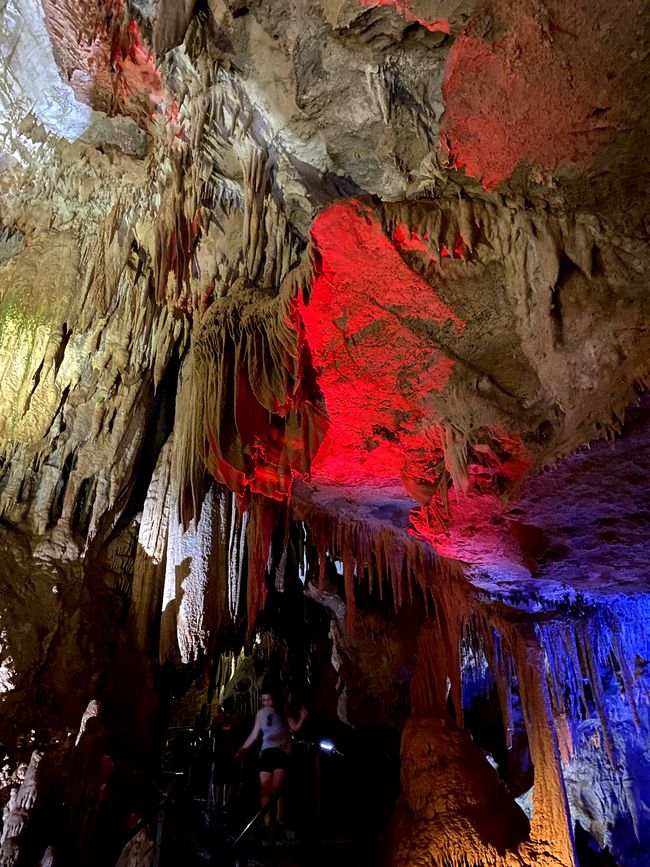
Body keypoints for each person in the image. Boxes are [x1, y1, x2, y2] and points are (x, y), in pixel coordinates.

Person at [234, 691, 307, 827]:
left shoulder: (283, 711)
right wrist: (242, 749)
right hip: (267, 752)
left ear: (275, 699)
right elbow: (254, 734)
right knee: (265, 789)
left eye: (268, 700)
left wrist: (302, 718)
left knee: (276, 788)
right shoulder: (261, 714)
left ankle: (279, 820)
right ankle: (267, 821)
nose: (266, 703)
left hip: (281, 752)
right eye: (263, 700)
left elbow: (294, 728)